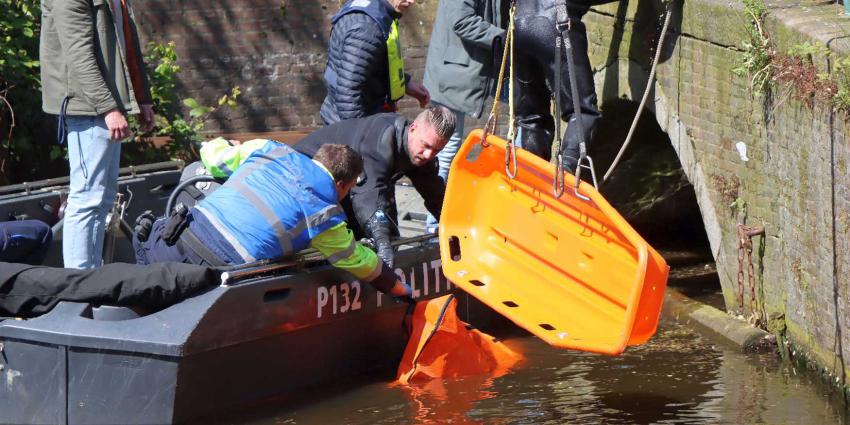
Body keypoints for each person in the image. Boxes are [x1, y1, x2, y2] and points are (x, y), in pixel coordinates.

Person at [133, 142, 412, 297]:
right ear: (342, 184)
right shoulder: (325, 212)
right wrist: (402, 290)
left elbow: (214, 158)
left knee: (151, 228)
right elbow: (361, 262)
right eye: (349, 190)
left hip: (174, 237)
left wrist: (220, 144)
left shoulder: (270, 149)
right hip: (214, 271)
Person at [40, 0, 155, 269]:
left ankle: (93, 282)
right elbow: (78, 54)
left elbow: (125, 42)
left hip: (104, 106)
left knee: (102, 198)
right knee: (86, 199)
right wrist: (108, 108)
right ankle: (80, 288)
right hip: (89, 108)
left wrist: (142, 98)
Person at [295, 106, 456, 268]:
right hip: (304, 174)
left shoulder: (421, 154)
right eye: (426, 146)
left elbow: (436, 196)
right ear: (413, 128)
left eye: (436, 150)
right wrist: (382, 244)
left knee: (388, 237)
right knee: (360, 241)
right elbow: (368, 197)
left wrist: (457, 231)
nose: (429, 154)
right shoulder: (380, 138)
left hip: (347, 183)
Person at [421, 0, 505, 231]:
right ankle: (434, 224)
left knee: (448, 148)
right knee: (446, 148)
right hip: (453, 74)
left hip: (464, 70)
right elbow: (463, 21)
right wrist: (505, 38)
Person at [513, 0, 601, 173]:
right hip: (555, 20)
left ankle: (530, 180)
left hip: (519, 22)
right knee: (582, 112)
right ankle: (565, 177)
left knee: (531, 119)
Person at [320, 0, 430, 125]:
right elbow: (348, 98)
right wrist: (361, 138)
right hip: (349, 126)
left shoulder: (375, 10)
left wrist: (404, 83)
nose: (412, 1)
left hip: (353, 116)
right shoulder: (367, 28)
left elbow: (368, 66)